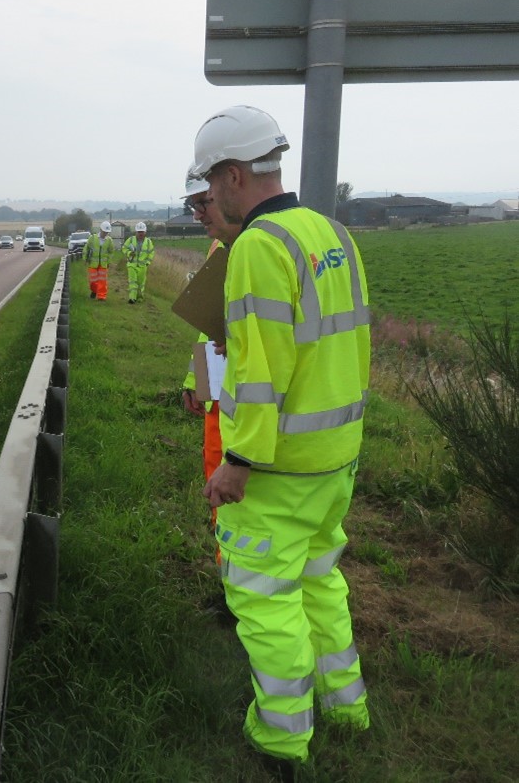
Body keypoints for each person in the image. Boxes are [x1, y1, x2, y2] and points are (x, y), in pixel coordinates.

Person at [191, 104, 371, 770]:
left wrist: (236, 463)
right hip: (335, 462)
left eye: (211, 186)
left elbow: (260, 373)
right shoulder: (333, 234)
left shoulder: (258, 250)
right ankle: (348, 709)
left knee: (266, 605)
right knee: (322, 583)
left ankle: (282, 739)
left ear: (235, 175)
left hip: (276, 469)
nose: (208, 199)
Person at [179, 174, 241, 564]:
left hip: (245, 396)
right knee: (215, 476)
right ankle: (227, 571)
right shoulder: (220, 246)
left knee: (230, 488)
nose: (199, 215)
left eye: (205, 203)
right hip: (217, 390)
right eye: (193, 206)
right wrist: (195, 382)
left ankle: (231, 581)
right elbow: (209, 326)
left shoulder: (253, 248)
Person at [82, 221, 117, 301]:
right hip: (93, 263)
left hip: (103, 264)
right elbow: (86, 248)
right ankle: (94, 291)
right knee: (93, 281)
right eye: (104, 232)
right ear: (101, 229)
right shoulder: (93, 238)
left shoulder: (109, 240)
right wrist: (85, 258)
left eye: (107, 232)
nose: (105, 233)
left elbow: (111, 252)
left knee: (102, 281)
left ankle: (101, 296)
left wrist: (108, 261)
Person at [121, 221, 154, 303]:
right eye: (139, 232)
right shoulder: (131, 240)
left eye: (142, 232)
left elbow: (151, 253)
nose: (140, 234)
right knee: (133, 281)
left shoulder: (148, 242)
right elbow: (124, 248)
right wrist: (129, 253)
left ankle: (139, 297)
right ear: (136, 232)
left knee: (140, 283)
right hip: (132, 264)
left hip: (143, 266)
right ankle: (132, 298)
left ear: (145, 232)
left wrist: (147, 263)